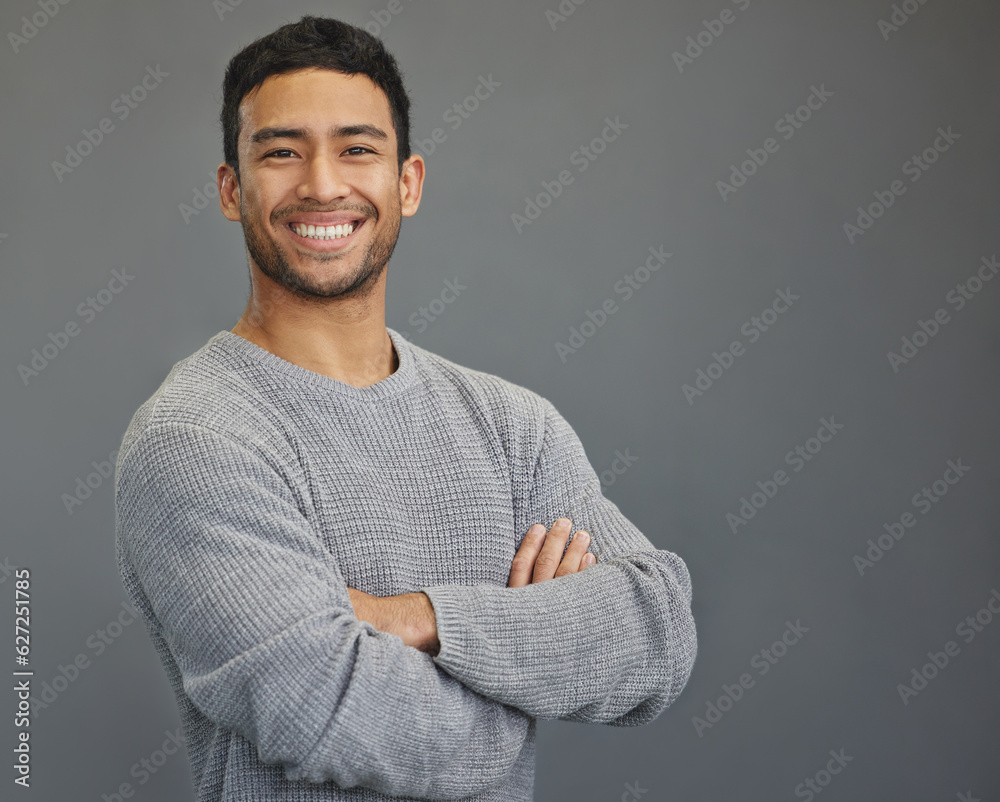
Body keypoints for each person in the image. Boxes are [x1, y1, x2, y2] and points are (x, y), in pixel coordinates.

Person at [114, 15, 696, 802]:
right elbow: (334, 713)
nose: (322, 184)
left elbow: (657, 637)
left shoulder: (511, 425)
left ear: (408, 183)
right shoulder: (196, 437)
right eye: (281, 151)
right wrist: (529, 673)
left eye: (358, 149)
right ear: (231, 189)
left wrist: (420, 619)